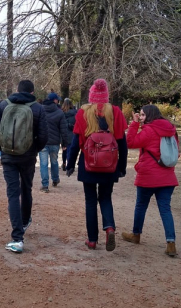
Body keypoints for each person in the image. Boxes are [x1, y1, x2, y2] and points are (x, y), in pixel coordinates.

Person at [66, 79, 128, 251]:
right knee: (106, 198)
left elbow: (76, 143)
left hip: (89, 164)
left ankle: (92, 240)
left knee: (90, 201)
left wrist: (70, 164)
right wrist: (121, 167)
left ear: (91, 96)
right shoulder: (115, 112)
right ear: (106, 96)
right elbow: (122, 144)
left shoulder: (82, 113)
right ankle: (109, 228)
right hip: (110, 164)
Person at [0, 80, 48, 253]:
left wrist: (2, 149)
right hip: (28, 156)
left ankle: (17, 238)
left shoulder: (2, 105)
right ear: (32, 91)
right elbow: (43, 136)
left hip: (8, 156)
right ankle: (24, 220)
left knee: (13, 194)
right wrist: (34, 150)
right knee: (26, 189)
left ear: (17, 89)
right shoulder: (37, 108)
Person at [122, 104, 179, 257]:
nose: (140, 118)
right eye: (139, 116)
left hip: (148, 175)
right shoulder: (171, 130)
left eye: (142, 115)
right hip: (167, 176)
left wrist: (134, 124)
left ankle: (136, 235)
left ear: (149, 115)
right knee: (165, 209)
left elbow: (131, 142)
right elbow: (175, 152)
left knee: (141, 205)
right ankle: (171, 243)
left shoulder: (149, 130)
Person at [39, 92, 70, 192]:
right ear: (54, 101)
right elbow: (63, 130)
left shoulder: (40, 110)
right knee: (54, 161)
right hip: (55, 142)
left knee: (43, 164)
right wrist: (64, 143)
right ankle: (55, 179)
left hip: (43, 141)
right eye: (57, 99)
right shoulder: (59, 112)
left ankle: (45, 185)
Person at [61, 98, 77, 171]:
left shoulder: (61, 113)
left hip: (64, 133)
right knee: (70, 150)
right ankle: (69, 164)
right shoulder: (75, 113)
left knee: (64, 149)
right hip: (72, 133)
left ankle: (64, 163)